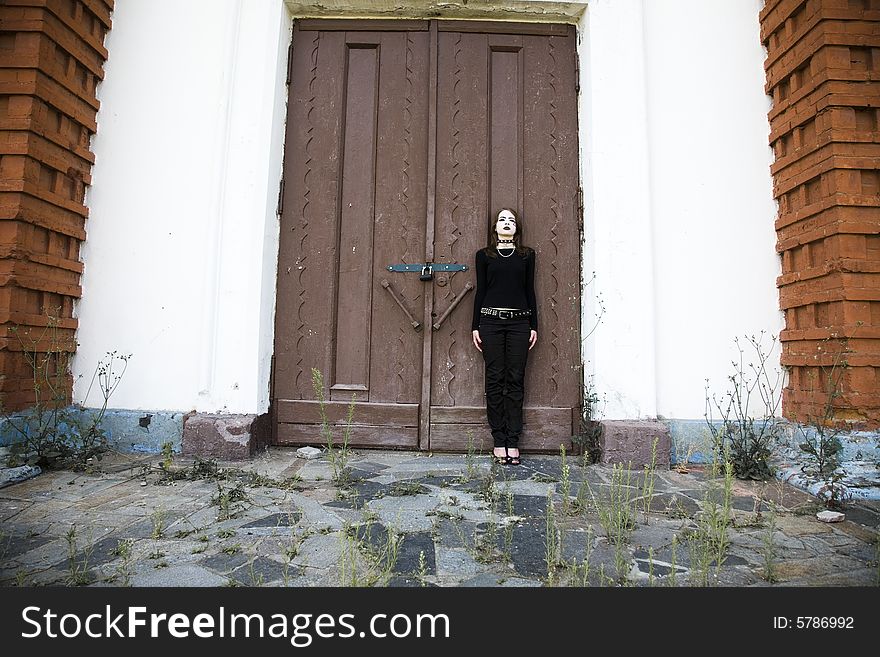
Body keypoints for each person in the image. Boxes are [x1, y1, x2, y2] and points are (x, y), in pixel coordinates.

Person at [471, 208, 538, 466]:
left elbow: (529, 290)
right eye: (502, 219)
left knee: (516, 380)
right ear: (495, 228)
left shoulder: (526, 255)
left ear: (517, 228)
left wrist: (534, 325)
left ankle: (513, 439)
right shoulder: (484, 256)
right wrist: (475, 325)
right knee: (495, 379)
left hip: (520, 324)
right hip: (490, 323)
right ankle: (499, 439)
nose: (506, 223)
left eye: (511, 220)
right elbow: (481, 291)